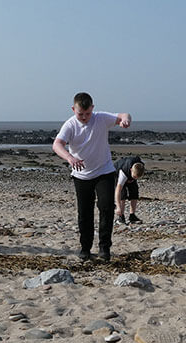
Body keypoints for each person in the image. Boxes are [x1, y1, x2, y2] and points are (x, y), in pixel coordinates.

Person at [52, 92, 132, 262]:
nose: (84, 117)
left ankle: (104, 248)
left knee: (106, 208)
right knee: (85, 213)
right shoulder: (70, 125)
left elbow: (123, 115)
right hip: (81, 175)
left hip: (104, 171)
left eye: (87, 113)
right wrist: (70, 158)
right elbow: (57, 144)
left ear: (92, 109)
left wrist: (125, 120)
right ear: (74, 109)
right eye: (80, 113)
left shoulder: (101, 118)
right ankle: (85, 248)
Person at [113, 156, 145, 224]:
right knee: (123, 194)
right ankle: (121, 217)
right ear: (131, 170)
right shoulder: (123, 173)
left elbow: (136, 175)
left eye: (137, 178)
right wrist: (118, 207)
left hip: (130, 174)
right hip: (117, 172)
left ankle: (132, 216)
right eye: (134, 177)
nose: (135, 179)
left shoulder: (140, 167)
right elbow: (117, 191)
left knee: (134, 192)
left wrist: (133, 179)